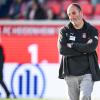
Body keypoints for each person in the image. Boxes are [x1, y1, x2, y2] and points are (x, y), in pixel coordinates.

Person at [57, 3, 100, 100]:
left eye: (73, 13)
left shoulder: (91, 30)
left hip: (87, 73)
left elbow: (91, 47)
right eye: (69, 14)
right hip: (70, 74)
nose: (71, 17)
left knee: (84, 97)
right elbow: (62, 49)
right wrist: (84, 49)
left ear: (81, 13)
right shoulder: (64, 31)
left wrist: (72, 45)